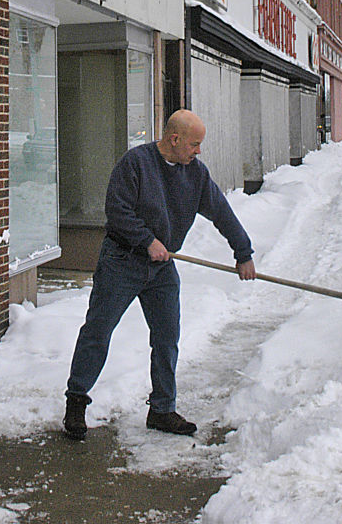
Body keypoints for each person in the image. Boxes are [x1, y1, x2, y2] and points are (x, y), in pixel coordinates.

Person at [63, 109, 256, 440]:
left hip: (161, 268)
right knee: (98, 330)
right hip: (121, 261)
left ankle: (162, 409)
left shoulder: (195, 174)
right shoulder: (136, 164)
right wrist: (147, 240)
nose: (198, 151)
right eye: (194, 144)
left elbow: (221, 212)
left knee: (167, 337)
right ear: (174, 139)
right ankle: (76, 402)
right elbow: (117, 210)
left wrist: (243, 253)